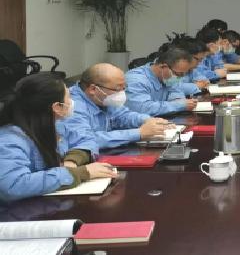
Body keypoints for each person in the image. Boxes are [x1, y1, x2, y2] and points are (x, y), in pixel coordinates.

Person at [0, 73, 117, 202]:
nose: (72, 102)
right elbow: (12, 185)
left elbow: (87, 140)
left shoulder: (57, 124)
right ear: (57, 107)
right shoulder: (10, 140)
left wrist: (72, 161)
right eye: (69, 97)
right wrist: (80, 173)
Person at [66, 63, 173, 149]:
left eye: (124, 88)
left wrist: (147, 120)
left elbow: (123, 115)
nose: (122, 93)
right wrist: (139, 133)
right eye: (118, 89)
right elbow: (85, 140)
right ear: (93, 89)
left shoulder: (102, 98)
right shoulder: (72, 106)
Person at [125, 47, 198, 116]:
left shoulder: (168, 77)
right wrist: (177, 105)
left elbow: (176, 91)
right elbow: (142, 108)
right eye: (179, 74)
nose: (180, 78)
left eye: (184, 74)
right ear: (163, 67)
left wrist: (178, 100)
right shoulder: (136, 79)